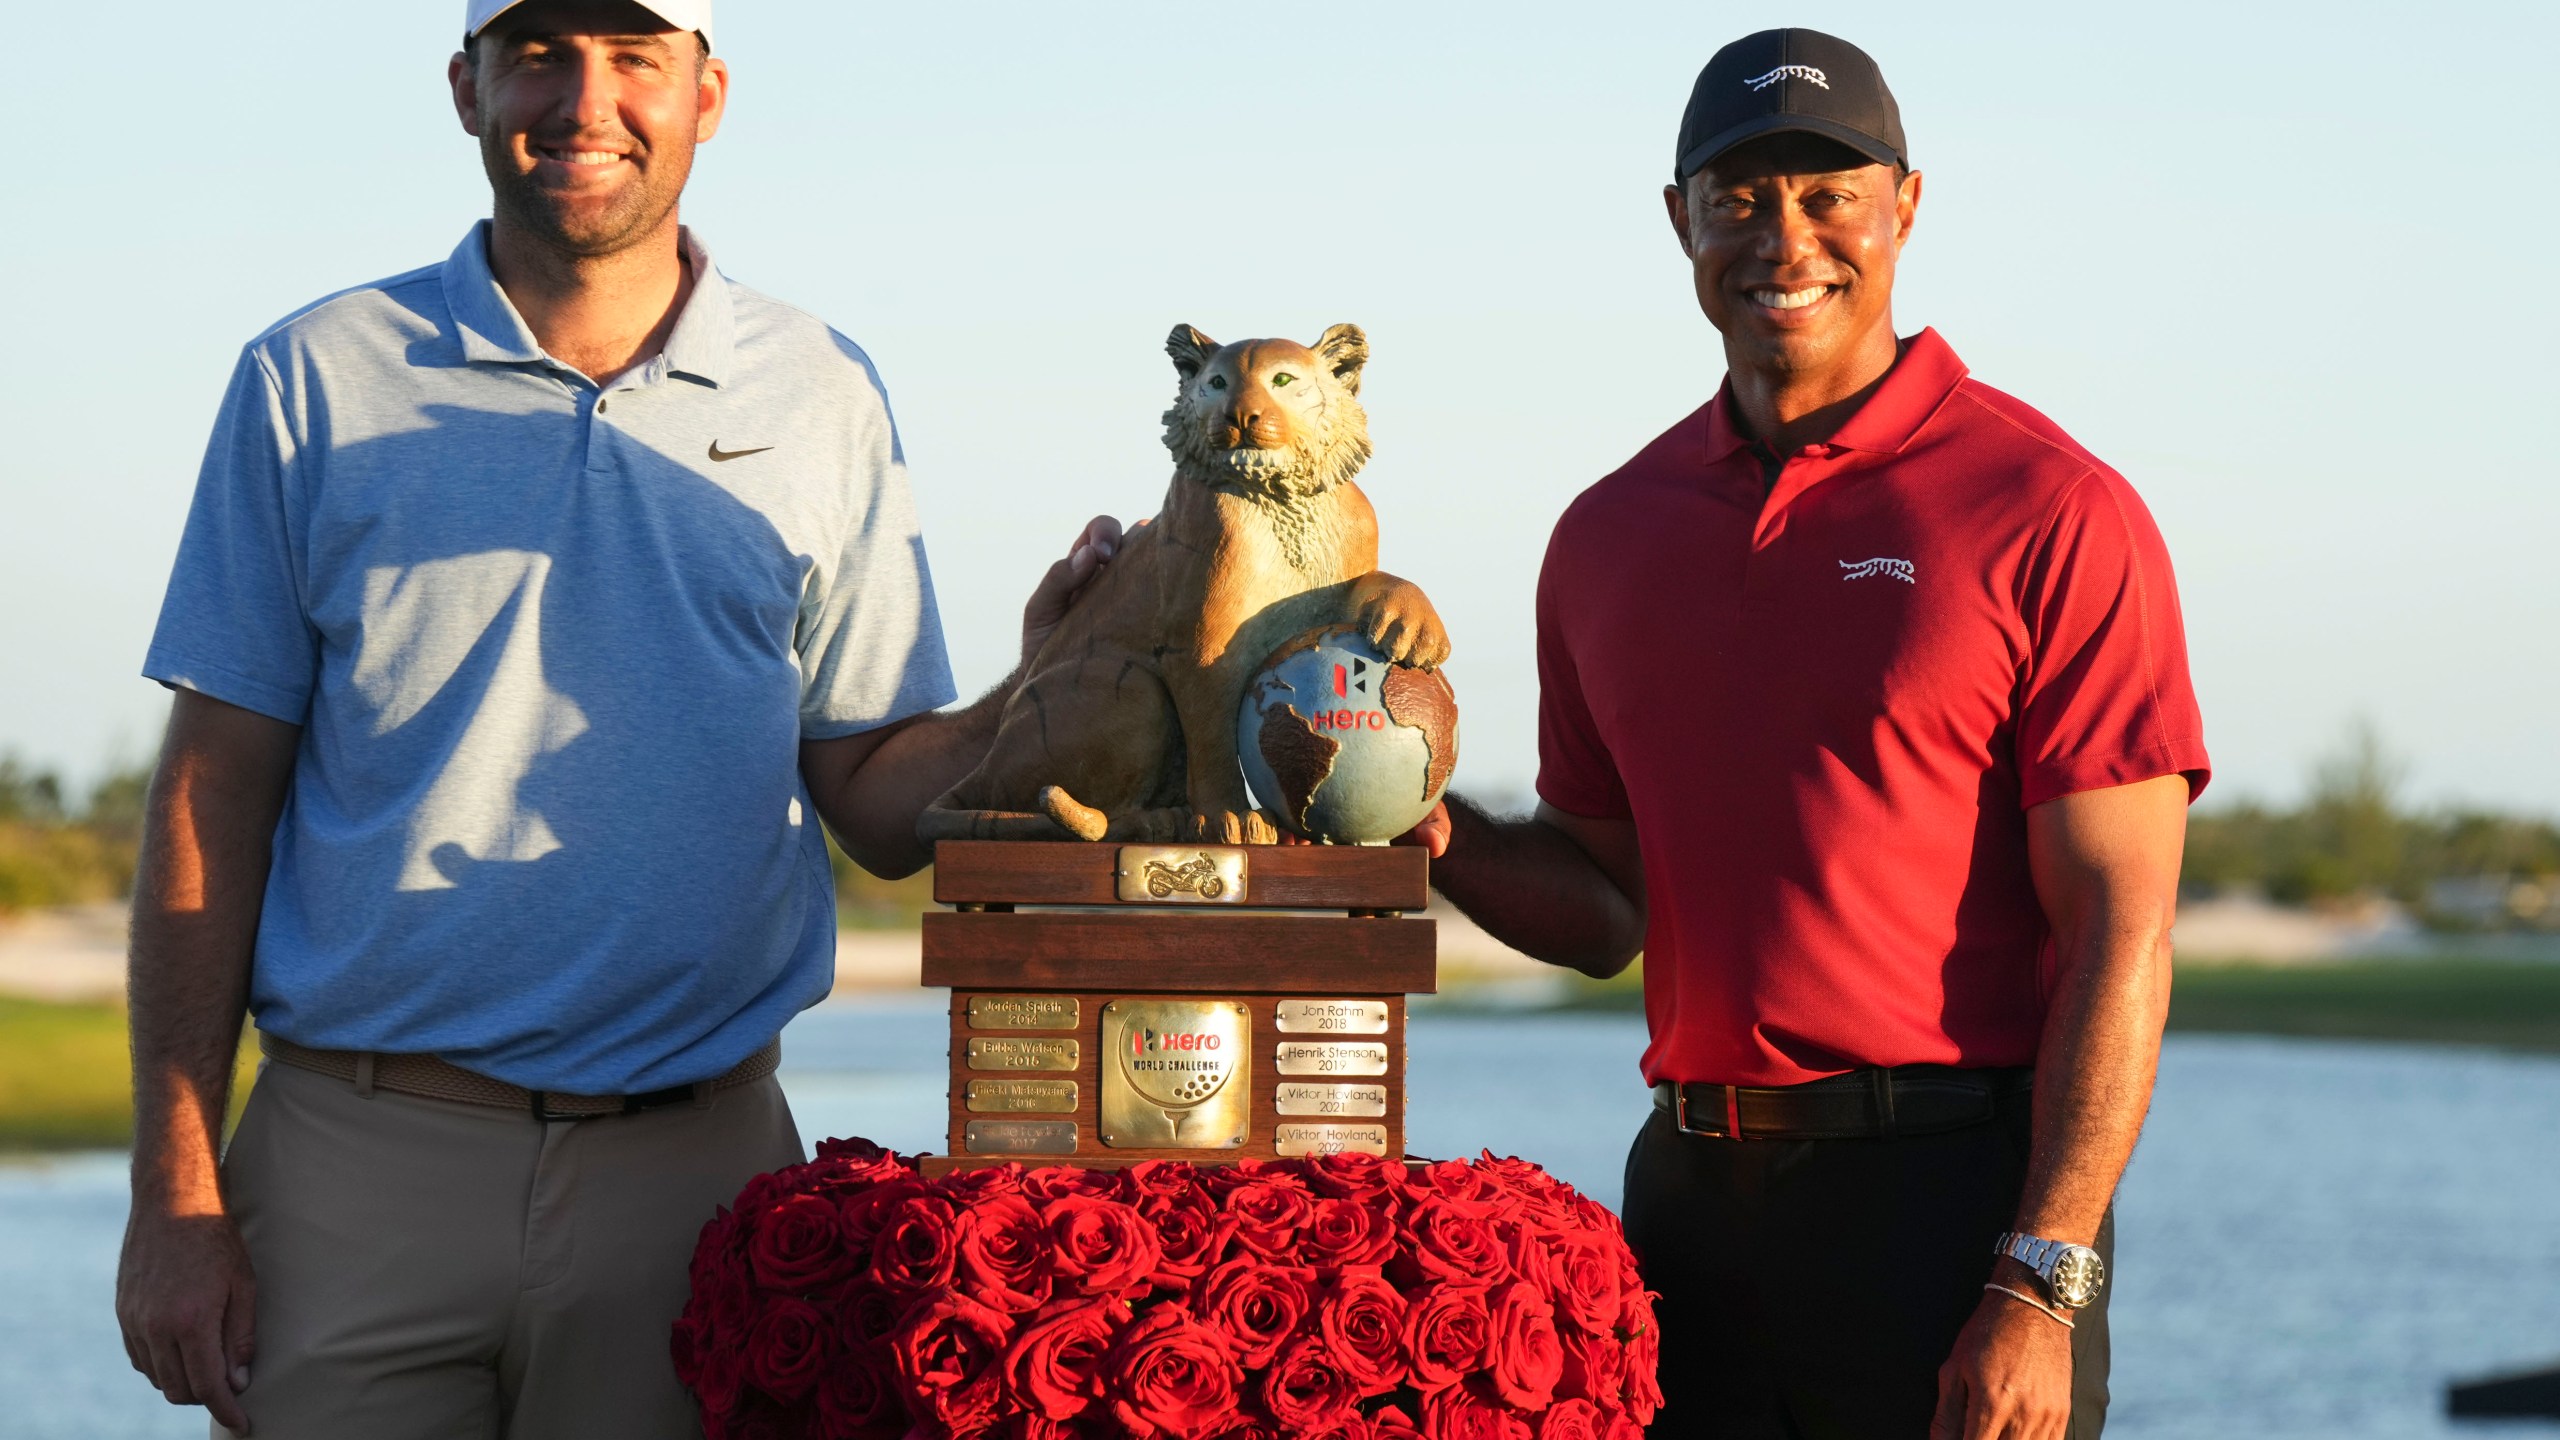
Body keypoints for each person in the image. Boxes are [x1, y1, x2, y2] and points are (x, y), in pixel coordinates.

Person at [111, 1, 1118, 1435]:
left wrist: (1041, 686)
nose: (585, 99)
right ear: (466, 87)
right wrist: (176, 1198)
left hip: (693, 1192)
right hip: (353, 1174)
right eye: (537, 52)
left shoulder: (824, 393)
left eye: (635, 57)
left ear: (707, 94)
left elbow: (883, 804)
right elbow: (213, 796)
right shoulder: (312, 375)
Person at [1408, 28, 2207, 1440]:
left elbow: (2120, 930)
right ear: (1680, 223)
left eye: (1829, 191)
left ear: (1905, 204)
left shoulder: (2053, 509)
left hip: (1955, 1211)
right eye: (1739, 196)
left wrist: (2038, 1280)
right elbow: (1607, 912)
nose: (1785, 236)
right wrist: (1431, 829)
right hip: (1686, 1215)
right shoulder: (1606, 538)